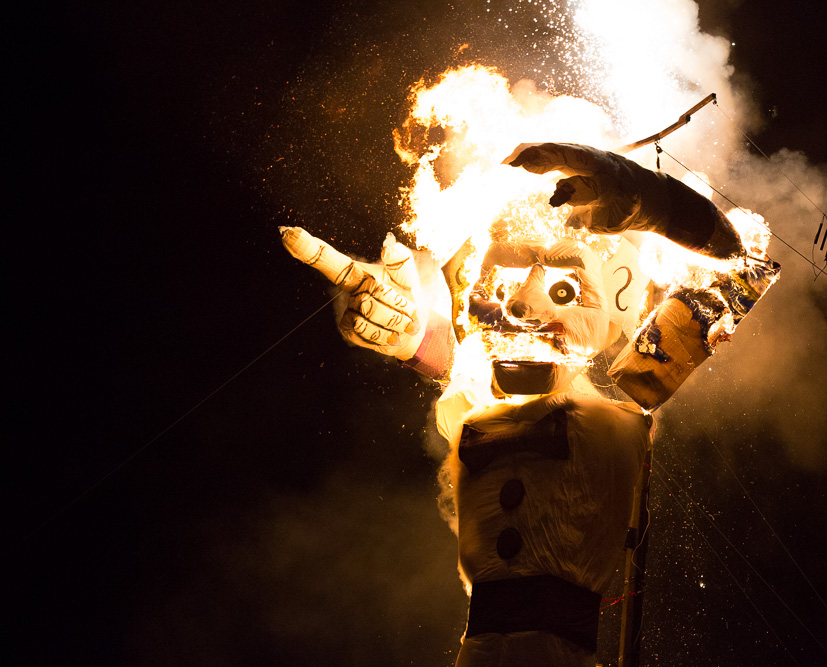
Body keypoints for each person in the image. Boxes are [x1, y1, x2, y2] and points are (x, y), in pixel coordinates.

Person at [281, 143, 779, 666]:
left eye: (564, 289)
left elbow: (744, 264)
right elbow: (459, 363)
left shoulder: (619, 401)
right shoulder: (481, 391)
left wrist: (655, 203)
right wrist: (415, 334)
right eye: (502, 282)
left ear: (617, 313)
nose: (519, 306)